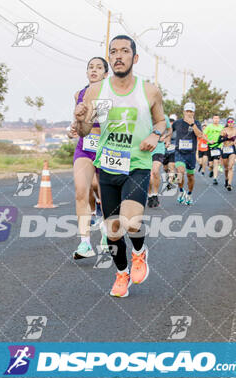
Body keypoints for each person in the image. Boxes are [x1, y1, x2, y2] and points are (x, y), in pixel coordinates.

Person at [73, 35, 166, 298]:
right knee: (113, 232)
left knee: (131, 220)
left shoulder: (149, 90)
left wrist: (154, 136)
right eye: (113, 51)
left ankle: (139, 252)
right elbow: (84, 131)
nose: (118, 56)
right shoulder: (95, 91)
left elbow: (161, 122)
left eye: (125, 51)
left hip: (136, 164)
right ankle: (122, 273)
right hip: (107, 166)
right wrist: (79, 120)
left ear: (134, 58)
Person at [68, 56, 108, 259]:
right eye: (91, 67)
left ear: (106, 74)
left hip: (108, 149)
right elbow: (77, 121)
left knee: (106, 197)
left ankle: (106, 231)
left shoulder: (112, 95)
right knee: (81, 192)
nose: (94, 70)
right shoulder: (79, 94)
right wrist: (72, 128)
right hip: (85, 148)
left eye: (99, 67)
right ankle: (85, 243)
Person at [174, 102, 206, 205]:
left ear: (194, 112)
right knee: (180, 172)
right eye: (187, 111)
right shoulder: (177, 123)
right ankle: (181, 191)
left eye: (191, 111)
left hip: (191, 154)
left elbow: (200, 135)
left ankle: (189, 194)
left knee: (190, 176)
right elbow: (169, 130)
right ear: (183, 112)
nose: (189, 113)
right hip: (179, 152)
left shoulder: (197, 123)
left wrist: (192, 124)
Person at [148, 114, 172, 208]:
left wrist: (165, 137)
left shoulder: (163, 117)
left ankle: (155, 194)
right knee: (148, 175)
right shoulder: (143, 116)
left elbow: (170, 130)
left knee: (155, 171)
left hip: (159, 147)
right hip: (146, 149)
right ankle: (150, 195)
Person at [219, 117, 236, 191]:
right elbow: (219, 140)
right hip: (225, 149)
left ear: (234, 123)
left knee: (230, 167)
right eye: (229, 122)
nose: (231, 123)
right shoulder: (224, 130)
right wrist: (225, 137)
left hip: (232, 149)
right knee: (226, 168)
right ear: (227, 123)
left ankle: (229, 184)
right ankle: (226, 179)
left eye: (232, 122)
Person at [203, 114, 224, 184]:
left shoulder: (222, 127)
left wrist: (222, 144)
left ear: (219, 119)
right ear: (212, 119)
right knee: (211, 164)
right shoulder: (209, 127)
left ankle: (215, 178)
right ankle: (211, 170)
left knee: (216, 162)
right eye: (215, 118)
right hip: (210, 146)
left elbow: (224, 136)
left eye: (217, 118)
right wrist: (209, 141)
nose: (216, 120)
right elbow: (203, 135)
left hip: (218, 147)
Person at [162, 114, 177, 190]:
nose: (171, 123)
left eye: (173, 121)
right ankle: (171, 177)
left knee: (171, 166)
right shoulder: (163, 129)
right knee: (165, 168)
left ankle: (171, 183)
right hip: (164, 150)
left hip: (173, 151)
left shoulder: (177, 130)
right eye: (170, 121)